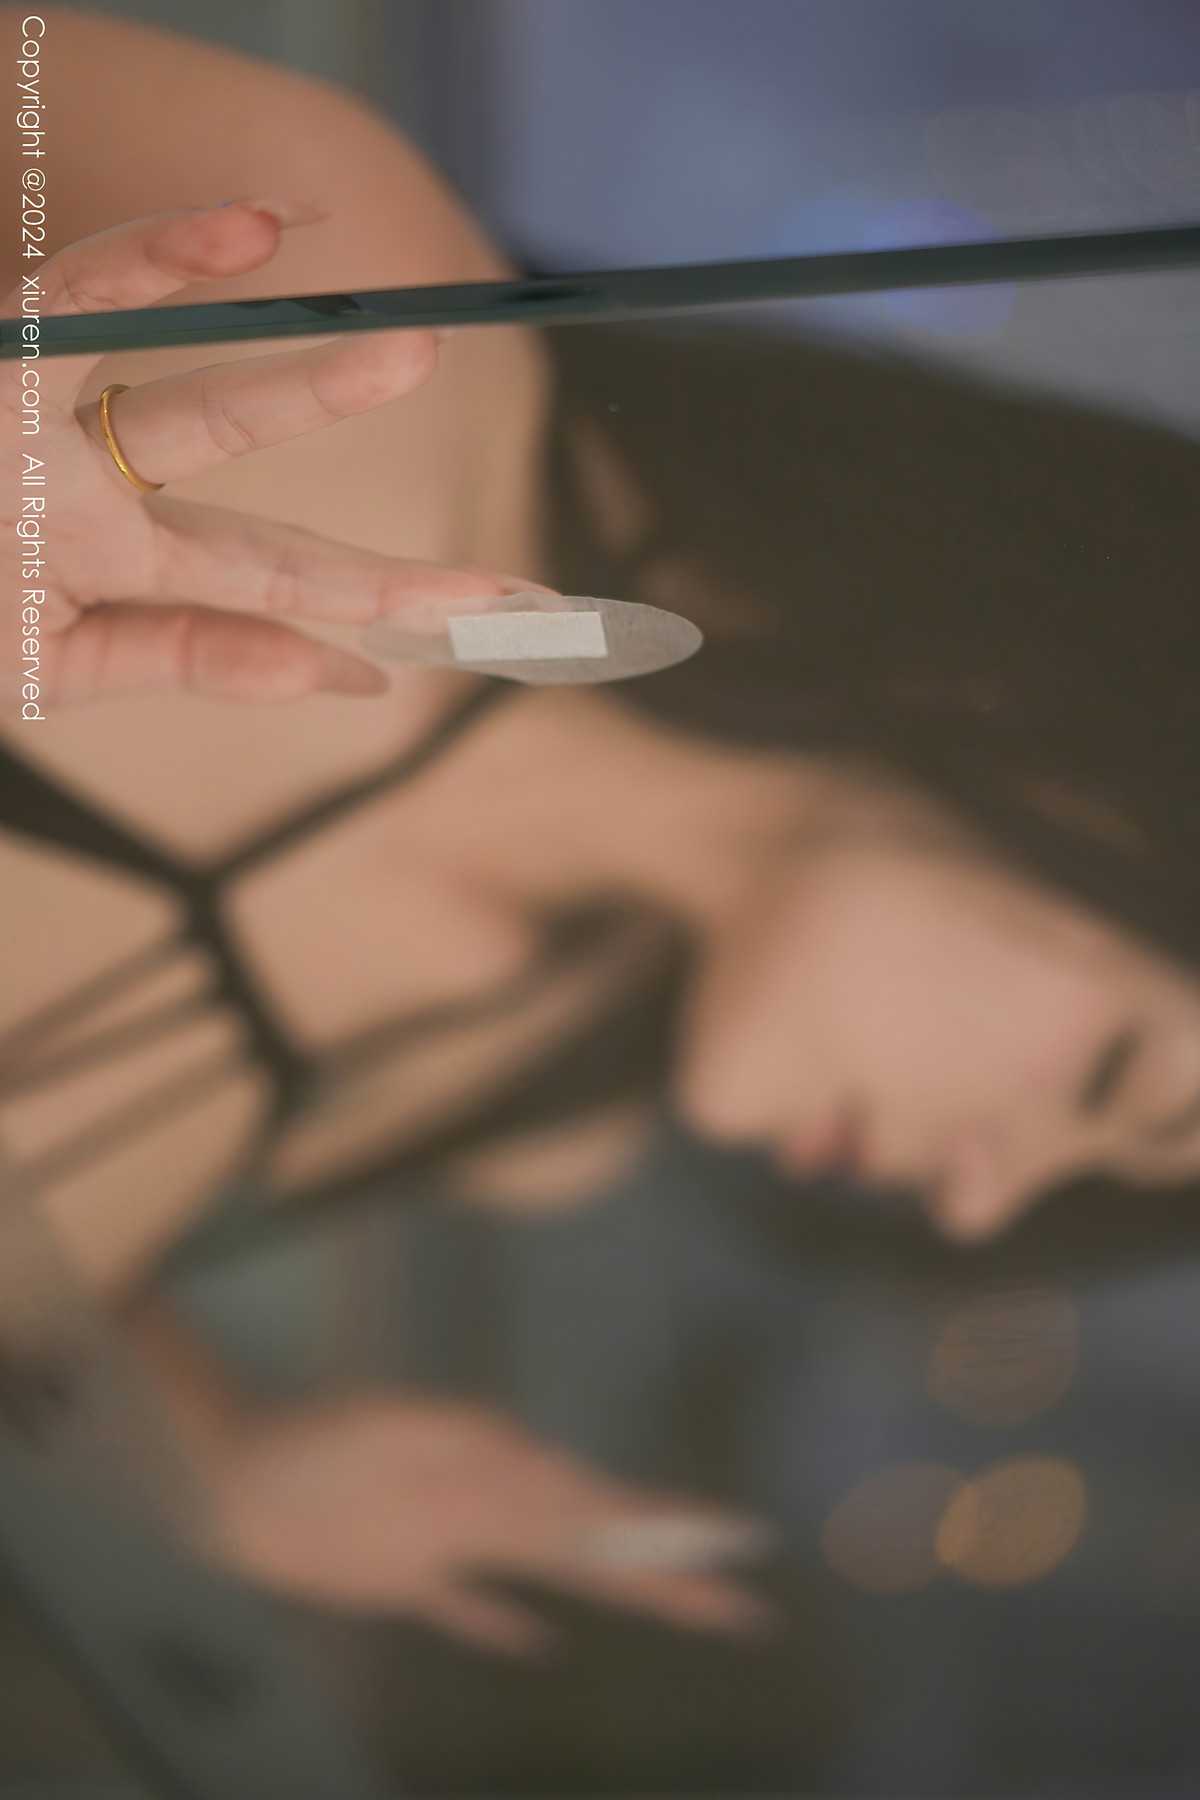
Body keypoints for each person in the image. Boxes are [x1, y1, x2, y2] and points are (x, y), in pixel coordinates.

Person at [3, 3, 1200, 1658]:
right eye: (1112, 1077)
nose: (982, 1207)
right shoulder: (363, 309)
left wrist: (216, 1467)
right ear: (1088, 774)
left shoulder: (520, 1095)